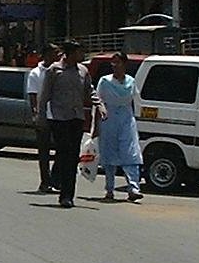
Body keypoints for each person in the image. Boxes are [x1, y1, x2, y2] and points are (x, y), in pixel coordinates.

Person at [37, 41, 96, 209]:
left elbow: (89, 90)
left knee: (72, 158)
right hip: (59, 119)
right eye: (79, 52)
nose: (81, 56)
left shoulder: (83, 71)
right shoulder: (54, 70)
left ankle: (68, 195)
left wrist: (100, 105)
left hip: (76, 119)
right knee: (63, 154)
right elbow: (44, 96)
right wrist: (41, 119)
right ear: (70, 54)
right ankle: (61, 190)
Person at [96, 51, 143, 202]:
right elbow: (98, 102)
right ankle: (109, 188)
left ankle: (134, 187)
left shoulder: (131, 81)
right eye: (113, 63)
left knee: (130, 152)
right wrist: (95, 126)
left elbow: (135, 102)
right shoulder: (105, 81)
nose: (115, 66)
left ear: (124, 64)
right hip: (109, 120)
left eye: (118, 63)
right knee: (109, 153)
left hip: (126, 120)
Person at [27, 44, 60, 195]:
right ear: (46, 55)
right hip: (44, 117)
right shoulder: (35, 73)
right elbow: (32, 95)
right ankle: (45, 182)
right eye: (54, 53)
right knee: (44, 152)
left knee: (61, 149)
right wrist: (36, 114)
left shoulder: (60, 71)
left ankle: (55, 179)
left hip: (59, 116)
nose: (57, 56)